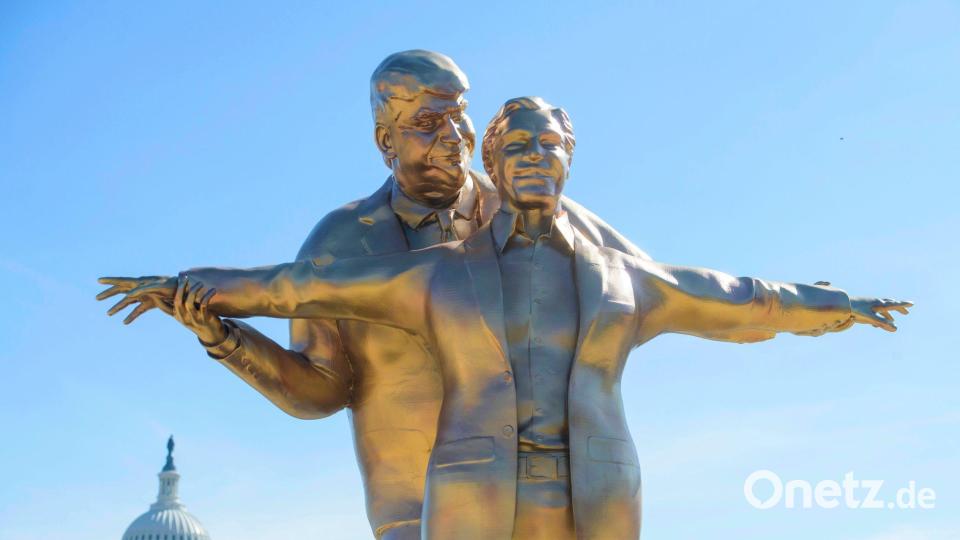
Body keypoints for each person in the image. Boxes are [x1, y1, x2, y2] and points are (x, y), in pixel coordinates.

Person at [102, 97, 910, 539]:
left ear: (569, 159)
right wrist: (191, 288)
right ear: (492, 165)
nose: (532, 155)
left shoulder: (626, 278)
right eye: (515, 144)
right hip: (470, 497)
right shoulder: (435, 277)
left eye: (548, 144)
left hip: (596, 490)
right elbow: (296, 286)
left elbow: (742, 301)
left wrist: (840, 306)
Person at [98, 54, 648, 539]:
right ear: (387, 141)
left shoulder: (532, 210)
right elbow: (318, 391)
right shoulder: (341, 242)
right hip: (411, 510)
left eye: (460, 114)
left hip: (547, 505)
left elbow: (643, 284)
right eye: (429, 123)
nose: (455, 136)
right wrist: (222, 336)